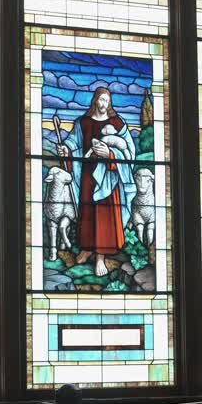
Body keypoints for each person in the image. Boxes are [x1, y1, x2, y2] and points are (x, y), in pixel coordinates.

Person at [61, 87, 136, 277]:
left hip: (109, 177)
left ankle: (101, 257)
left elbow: (129, 151)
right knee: (87, 212)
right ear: (95, 100)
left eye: (107, 101)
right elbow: (73, 143)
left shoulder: (117, 123)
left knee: (104, 216)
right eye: (101, 100)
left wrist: (110, 154)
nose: (104, 104)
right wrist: (66, 150)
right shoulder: (83, 123)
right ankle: (87, 249)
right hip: (88, 174)